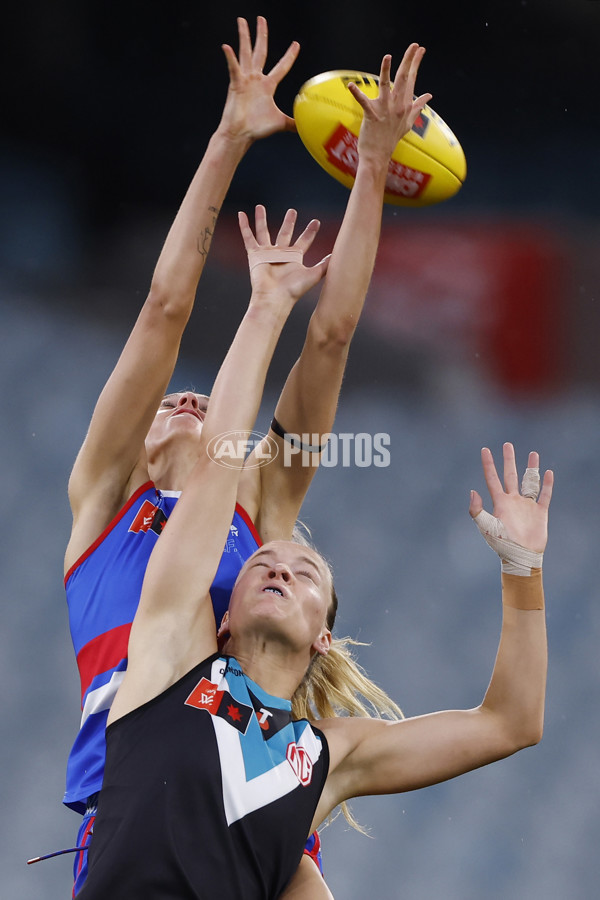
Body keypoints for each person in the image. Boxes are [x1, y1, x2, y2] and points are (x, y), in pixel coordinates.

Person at [75, 184, 554, 898]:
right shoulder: (171, 646)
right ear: (222, 619)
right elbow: (208, 427)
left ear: (324, 638)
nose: (278, 560)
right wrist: (264, 306)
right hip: (107, 801)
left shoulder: (323, 754)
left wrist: (523, 571)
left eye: (306, 574)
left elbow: (511, 723)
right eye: (267, 560)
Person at [59, 20, 432, 899]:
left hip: (250, 810)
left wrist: (371, 166)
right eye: (163, 407)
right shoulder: (105, 501)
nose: (183, 398)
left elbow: (332, 338)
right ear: (134, 447)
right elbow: (162, 309)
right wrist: (228, 138)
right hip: (133, 820)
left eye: (199, 395)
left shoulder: (260, 508)